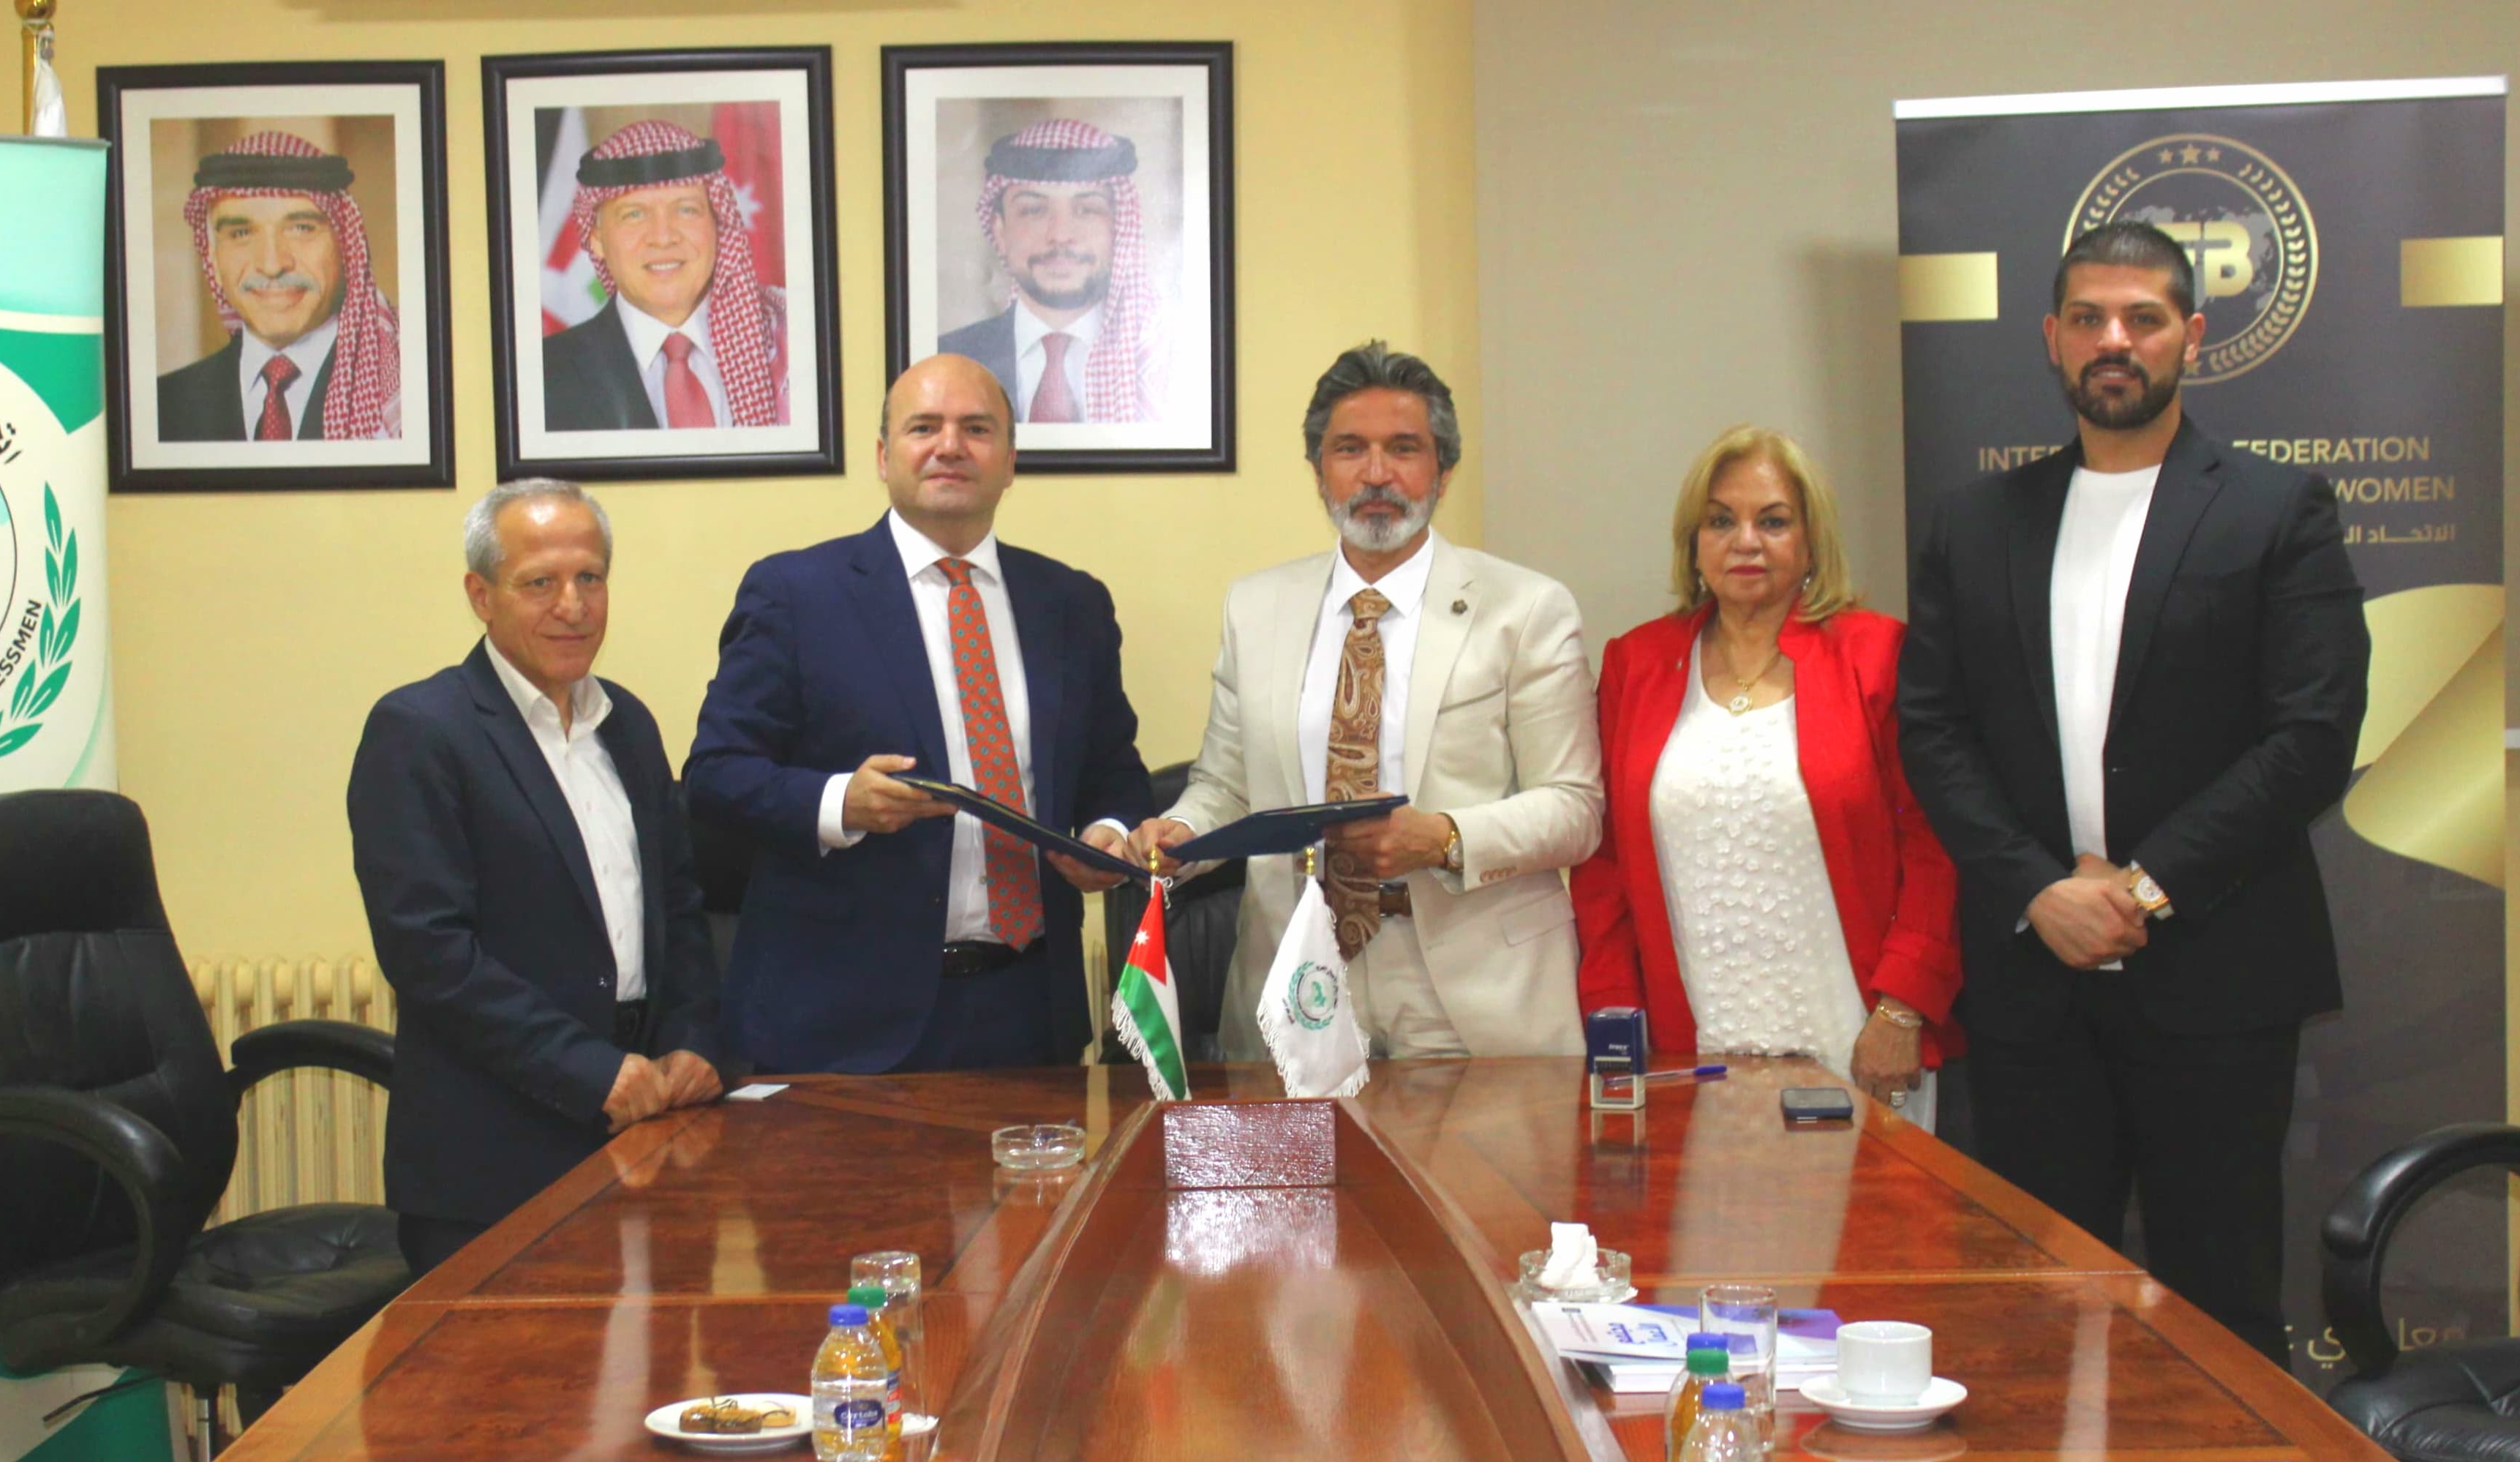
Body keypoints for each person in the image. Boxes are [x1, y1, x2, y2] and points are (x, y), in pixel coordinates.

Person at [1896, 222, 2369, 1361]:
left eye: (2143, 319)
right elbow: (1934, 729)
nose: (2115, 340)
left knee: (2221, 1306)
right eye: (2089, 318)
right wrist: (2038, 890)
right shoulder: (1974, 522)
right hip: (2032, 983)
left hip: (2216, 972)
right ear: (2053, 338)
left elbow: (2313, 734)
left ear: (2190, 337)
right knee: (2036, 1312)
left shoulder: (2275, 508)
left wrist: (2143, 888)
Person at [1129, 342, 1602, 1060]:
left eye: (1403, 448)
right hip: (1296, 976)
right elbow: (1225, 785)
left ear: (1443, 470)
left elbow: (1574, 807)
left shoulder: (1526, 608)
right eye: (1350, 449)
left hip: (1475, 987)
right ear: (1319, 470)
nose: (1376, 474)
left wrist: (1442, 837)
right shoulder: (1255, 608)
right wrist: (1179, 834)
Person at [687, 353, 1152, 1073]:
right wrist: (841, 802)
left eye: (976, 429)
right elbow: (715, 775)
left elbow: (1114, 774)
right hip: (840, 1023)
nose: (949, 446)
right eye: (923, 427)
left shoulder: (1071, 603)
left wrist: (1106, 838)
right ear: (883, 456)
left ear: (1009, 462)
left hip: (1029, 1012)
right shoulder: (796, 593)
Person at [347, 478, 735, 1275]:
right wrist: (591, 1071)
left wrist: (694, 1039)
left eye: (590, 577)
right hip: (497, 1156)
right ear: (480, 596)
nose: (573, 605)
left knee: (653, 1353)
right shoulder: (421, 730)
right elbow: (431, 955)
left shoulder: (627, 723)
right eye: (540, 583)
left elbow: (679, 904)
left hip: (651, 1125)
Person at [1571, 427, 1960, 1125]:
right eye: (1721, 521)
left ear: (1812, 541)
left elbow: (1935, 845)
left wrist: (1903, 1008)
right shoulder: (1637, 663)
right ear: (1694, 543)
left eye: (1773, 521)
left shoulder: (1877, 654)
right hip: (1687, 1048)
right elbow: (1605, 868)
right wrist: (1614, 1016)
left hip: (1859, 1041)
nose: (1745, 541)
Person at [542, 120, 788, 432]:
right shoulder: (544, 376)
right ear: (597, 241)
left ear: (718, 225)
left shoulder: (789, 342)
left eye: (686, 210)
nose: (663, 237)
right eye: (634, 214)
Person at [159, 131, 401, 441]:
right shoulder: (165, 406)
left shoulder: (402, 394)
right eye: (241, 234)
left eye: (301, 228)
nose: (272, 265)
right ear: (214, 261)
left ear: (346, 249)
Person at [938, 118, 1162, 424]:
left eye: (1087, 210)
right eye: (1034, 210)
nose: (1060, 234)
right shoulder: (946, 359)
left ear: (1118, 229)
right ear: (1000, 232)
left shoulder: (1165, 363)